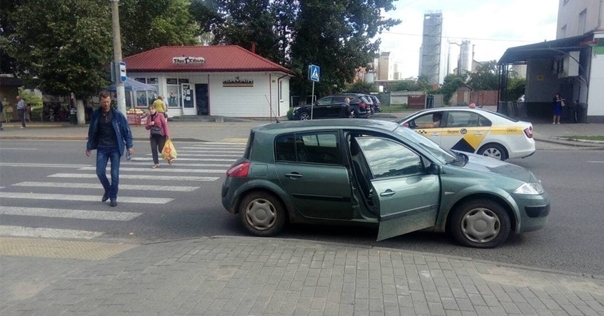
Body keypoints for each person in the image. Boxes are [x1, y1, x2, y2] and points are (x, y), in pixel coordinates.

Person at [86, 91, 134, 207]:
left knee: (115, 174)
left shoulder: (117, 115)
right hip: (102, 147)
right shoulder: (96, 115)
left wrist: (129, 145)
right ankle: (108, 189)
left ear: (110, 101)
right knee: (99, 172)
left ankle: (113, 197)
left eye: (108, 101)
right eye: (104, 102)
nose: (106, 104)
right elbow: (92, 131)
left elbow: (126, 130)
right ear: (100, 102)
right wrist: (89, 146)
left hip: (115, 148)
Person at [145, 104, 171, 168]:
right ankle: (156, 163)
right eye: (150, 109)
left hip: (161, 135)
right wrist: (149, 124)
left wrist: (167, 135)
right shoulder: (149, 117)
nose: (151, 111)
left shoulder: (160, 115)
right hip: (153, 135)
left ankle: (168, 158)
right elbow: (146, 127)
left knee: (161, 149)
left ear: (155, 109)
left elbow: (165, 125)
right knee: (153, 149)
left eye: (152, 109)